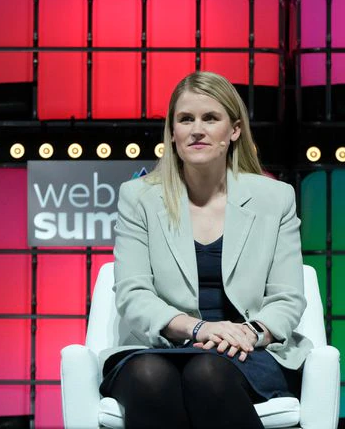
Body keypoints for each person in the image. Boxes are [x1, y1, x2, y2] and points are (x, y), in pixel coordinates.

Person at [98, 71, 311, 429]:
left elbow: (287, 298)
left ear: (234, 130)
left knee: (206, 372)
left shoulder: (274, 199)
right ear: (173, 132)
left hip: (247, 349)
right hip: (159, 347)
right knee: (150, 376)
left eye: (210, 118)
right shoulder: (139, 198)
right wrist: (199, 330)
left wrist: (250, 332)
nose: (197, 130)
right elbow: (134, 295)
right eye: (186, 119)